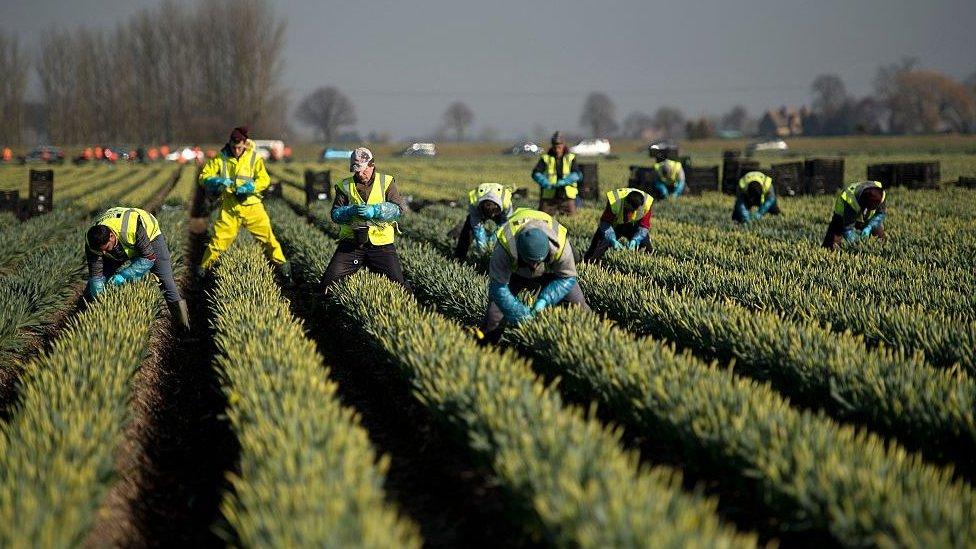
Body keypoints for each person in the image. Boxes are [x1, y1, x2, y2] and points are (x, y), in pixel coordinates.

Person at [481, 209, 588, 343]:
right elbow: (498, 285)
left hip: (551, 270)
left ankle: (591, 337)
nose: (534, 267)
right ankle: (486, 346)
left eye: (537, 262)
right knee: (494, 315)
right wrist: (516, 310)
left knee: (578, 304)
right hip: (516, 271)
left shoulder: (561, 246)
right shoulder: (504, 247)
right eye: (531, 262)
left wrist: (545, 299)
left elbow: (567, 278)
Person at [198, 126, 290, 280]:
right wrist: (216, 180)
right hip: (230, 207)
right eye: (234, 147)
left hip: (253, 207)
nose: (236, 151)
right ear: (230, 143)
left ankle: (286, 274)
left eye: (239, 148)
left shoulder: (254, 157)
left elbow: (265, 179)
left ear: (245, 144)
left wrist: (251, 186)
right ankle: (202, 273)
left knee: (269, 240)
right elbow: (203, 176)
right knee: (217, 243)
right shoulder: (221, 158)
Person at [319, 147, 409, 291]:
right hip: (351, 243)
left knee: (398, 286)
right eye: (356, 170)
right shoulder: (345, 185)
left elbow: (399, 209)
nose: (360, 173)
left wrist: (376, 210)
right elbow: (335, 214)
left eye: (363, 169)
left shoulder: (386, 182)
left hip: (381, 245)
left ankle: (410, 308)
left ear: (372, 165)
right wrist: (350, 211)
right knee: (327, 285)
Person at [85, 207, 189, 330]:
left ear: (112, 236)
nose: (102, 253)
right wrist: (99, 299)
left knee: (166, 281)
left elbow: (149, 258)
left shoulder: (133, 227)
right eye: (99, 250)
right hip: (121, 244)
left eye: (106, 248)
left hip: (150, 238)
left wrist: (123, 276)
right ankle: (94, 320)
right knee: (95, 285)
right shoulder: (93, 243)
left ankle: (184, 329)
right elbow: (96, 276)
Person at [584, 187, 653, 262]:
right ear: (626, 203)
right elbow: (605, 223)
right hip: (615, 225)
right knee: (597, 246)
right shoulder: (615, 201)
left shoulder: (646, 204)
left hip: (633, 226)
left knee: (646, 246)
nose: (631, 212)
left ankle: (644, 263)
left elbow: (644, 226)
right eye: (629, 209)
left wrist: (635, 240)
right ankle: (590, 262)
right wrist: (612, 239)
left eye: (634, 210)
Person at [454, 183, 515, 259]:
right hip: (480, 211)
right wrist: (484, 252)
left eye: (494, 213)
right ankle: (459, 258)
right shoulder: (474, 204)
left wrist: (494, 243)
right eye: (490, 213)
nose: (492, 216)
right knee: (468, 230)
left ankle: (508, 258)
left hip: (500, 212)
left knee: (508, 233)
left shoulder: (506, 204)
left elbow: (505, 226)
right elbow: (478, 229)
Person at [822, 181, 887, 250]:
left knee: (878, 230)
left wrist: (870, 226)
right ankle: (830, 251)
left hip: (864, 212)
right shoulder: (852, 200)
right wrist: (859, 243)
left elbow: (880, 214)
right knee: (834, 239)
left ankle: (883, 249)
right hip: (842, 214)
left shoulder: (880, 194)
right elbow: (848, 230)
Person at [531, 132, 582, 216]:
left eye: (559, 146)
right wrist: (544, 182)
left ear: (563, 145)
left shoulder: (570, 158)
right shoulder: (546, 158)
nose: (557, 149)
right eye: (555, 146)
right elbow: (535, 173)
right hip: (549, 196)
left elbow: (577, 174)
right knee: (543, 220)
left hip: (567, 197)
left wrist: (565, 181)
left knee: (571, 220)